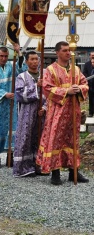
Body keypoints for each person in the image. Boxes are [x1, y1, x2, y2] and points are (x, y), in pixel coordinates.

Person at [36, 41, 89, 185]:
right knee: (56, 140)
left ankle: (74, 172)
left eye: (69, 50)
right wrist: (66, 91)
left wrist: (80, 89)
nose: (68, 53)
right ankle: (55, 173)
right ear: (57, 52)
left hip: (73, 112)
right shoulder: (51, 70)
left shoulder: (76, 70)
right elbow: (47, 88)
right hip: (58, 112)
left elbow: (85, 84)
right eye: (65, 50)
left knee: (73, 140)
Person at [13, 51, 46, 177]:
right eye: (31, 59)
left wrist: (44, 107)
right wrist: (35, 87)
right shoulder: (22, 76)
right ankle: (24, 168)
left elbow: (49, 93)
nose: (34, 62)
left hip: (41, 112)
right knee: (26, 137)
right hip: (27, 111)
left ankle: (38, 165)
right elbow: (19, 94)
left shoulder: (44, 75)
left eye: (36, 59)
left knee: (40, 137)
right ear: (26, 61)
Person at [82, 52, 94, 117]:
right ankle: (91, 113)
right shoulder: (87, 64)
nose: (93, 56)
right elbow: (84, 72)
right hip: (90, 84)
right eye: (92, 55)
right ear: (90, 56)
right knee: (91, 99)